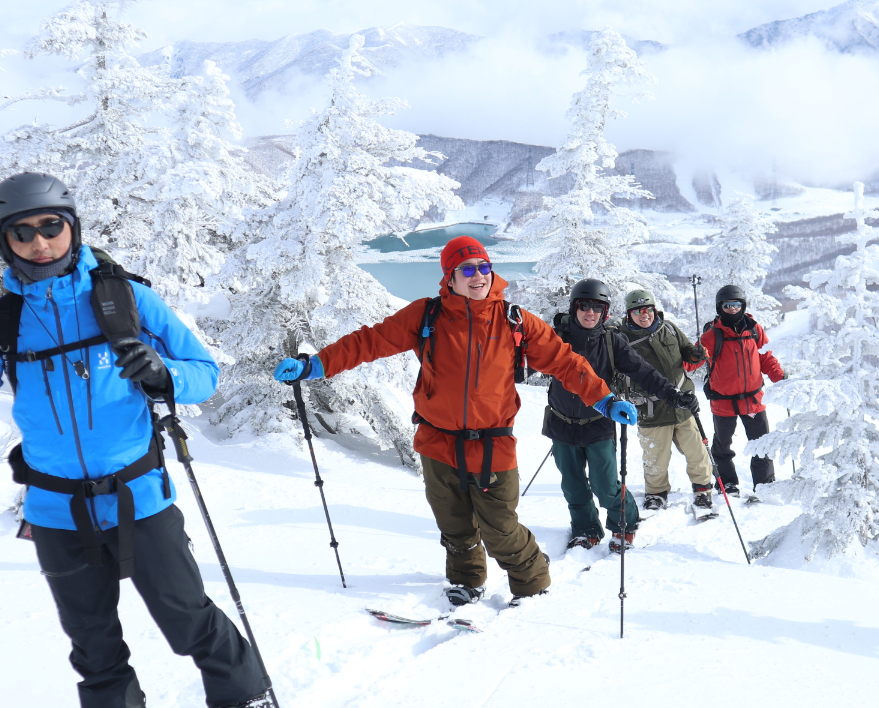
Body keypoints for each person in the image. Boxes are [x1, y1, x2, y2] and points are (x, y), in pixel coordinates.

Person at [0, 172, 271, 708]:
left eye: (52, 226)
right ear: (5, 242)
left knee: (185, 615)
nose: (40, 241)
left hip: (139, 494)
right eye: (22, 232)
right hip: (55, 508)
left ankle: (244, 704)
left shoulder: (124, 301)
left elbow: (205, 373)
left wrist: (164, 374)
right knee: (92, 637)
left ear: (72, 227)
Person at [273, 236, 619, 607]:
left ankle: (532, 579)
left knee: (500, 530)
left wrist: (603, 399)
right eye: (466, 269)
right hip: (438, 443)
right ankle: (467, 580)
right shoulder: (427, 316)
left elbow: (566, 363)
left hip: (493, 445)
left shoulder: (514, 320)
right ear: (449, 277)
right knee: (454, 527)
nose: (477, 276)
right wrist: (316, 364)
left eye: (483, 267)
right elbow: (370, 341)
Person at [545, 279, 696, 551]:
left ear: (605, 311)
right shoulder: (556, 339)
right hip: (561, 423)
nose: (591, 313)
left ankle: (624, 523)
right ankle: (585, 529)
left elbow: (643, 372)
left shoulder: (612, 342)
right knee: (573, 486)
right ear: (574, 308)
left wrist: (672, 393)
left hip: (598, 423)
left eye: (598, 307)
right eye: (585, 306)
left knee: (606, 487)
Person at [611, 288, 715, 512]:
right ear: (629, 314)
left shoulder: (668, 328)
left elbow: (685, 350)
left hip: (683, 404)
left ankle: (703, 489)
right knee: (656, 457)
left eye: (647, 309)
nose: (644, 314)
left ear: (654, 309)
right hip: (651, 408)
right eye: (637, 310)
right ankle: (656, 494)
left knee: (697, 451)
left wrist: (694, 354)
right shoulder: (621, 338)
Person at [700, 284, 785, 501]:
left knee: (762, 443)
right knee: (722, 446)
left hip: (753, 400)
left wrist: (779, 376)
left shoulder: (754, 329)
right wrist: (691, 356)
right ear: (720, 307)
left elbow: (765, 357)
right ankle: (727, 484)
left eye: (736, 304)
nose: (732, 309)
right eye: (727, 305)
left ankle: (764, 485)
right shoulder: (712, 335)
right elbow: (692, 361)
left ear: (743, 305)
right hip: (723, 402)